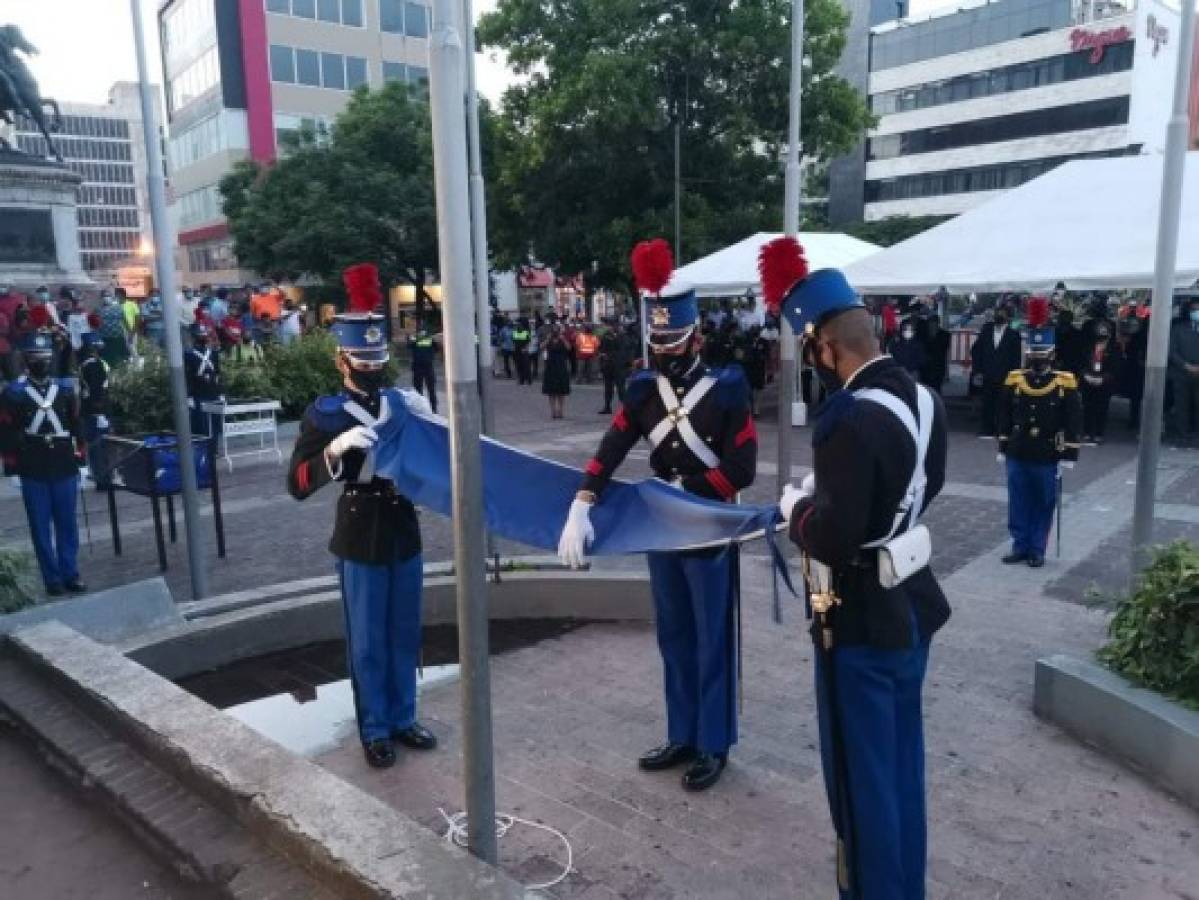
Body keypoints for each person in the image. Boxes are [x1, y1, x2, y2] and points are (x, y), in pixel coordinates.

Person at [762, 237, 949, 900]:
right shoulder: (925, 398)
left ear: (824, 347)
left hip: (859, 619)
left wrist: (795, 514)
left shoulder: (845, 418)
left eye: (809, 351)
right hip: (910, 605)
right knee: (901, 765)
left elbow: (832, 541)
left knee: (861, 776)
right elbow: (928, 486)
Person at [558, 241, 757, 793]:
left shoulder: (728, 388)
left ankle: (714, 742)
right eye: (658, 341)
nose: (666, 351)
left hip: (709, 527)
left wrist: (681, 490)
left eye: (674, 340)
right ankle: (682, 733)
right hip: (661, 533)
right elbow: (612, 445)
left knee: (712, 638)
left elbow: (742, 467)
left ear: (695, 335)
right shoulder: (644, 389)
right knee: (674, 635)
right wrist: (584, 498)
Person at [286, 262, 437, 769]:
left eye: (378, 358)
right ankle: (374, 727)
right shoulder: (325, 414)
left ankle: (403, 716)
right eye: (362, 359)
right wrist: (335, 451)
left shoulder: (401, 401)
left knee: (404, 630)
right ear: (342, 361)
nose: (373, 369)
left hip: (403, 526)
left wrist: (436, 423)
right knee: (369, 639)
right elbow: (297, 483)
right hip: (359, 530)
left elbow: (437, 460)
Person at [996, 299, 1082, 568]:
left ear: (1052, 354)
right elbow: (1005, 414)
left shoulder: (1063, 382)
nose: (1037, 357)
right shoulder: (1015, 379)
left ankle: (1037, 548)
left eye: (1042, 352)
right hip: (1018, 450)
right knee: (1018, 500)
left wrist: (1069, 452)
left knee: (1043, 502)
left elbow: (1073, 419)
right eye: (1034, 352)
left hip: (1047, 452)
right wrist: (1002, 445)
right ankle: (1019, 545)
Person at [0, 330, 86, 595]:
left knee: (67, 524)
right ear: (26, 360)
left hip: (63, 462)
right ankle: (52, 579)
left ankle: (70, 573)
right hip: (33, 464)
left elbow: (75, 425)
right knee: (40, 526)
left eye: (46, 356)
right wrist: (11, 468)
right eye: (36, 357)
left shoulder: (64, 389)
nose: (42, 361)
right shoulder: (13, 393)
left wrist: (81, 459)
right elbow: (6, 432)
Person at [969, 304, 1022, 437]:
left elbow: (1016, 358)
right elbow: (976, 350)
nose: (999, 315)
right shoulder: (986, 330)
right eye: (998, 312)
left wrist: (1014, 377)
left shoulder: (1013, 335)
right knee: (987, 403)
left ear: (1007, 316)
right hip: (987, 373)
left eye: (1002, 313)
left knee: (1003, 404)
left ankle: (1001, 430)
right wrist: (978, 370)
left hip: (1005, 375)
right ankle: (986, 429)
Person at [77, 332, 111, 489]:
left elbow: (94, 389)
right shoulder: (94, 364)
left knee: (97, 447)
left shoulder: (88, 364)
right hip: (97, 412)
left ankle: (102, 479)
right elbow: (97, 389)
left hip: (92, 412)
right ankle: (104, 479)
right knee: (100, 447)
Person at [1167, 296, 1199, 445]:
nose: (1196, 312)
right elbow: (1171, 351)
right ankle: (1182, 435)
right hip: (1181, 373)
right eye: (1194, 309)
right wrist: (1185, 365)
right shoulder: (1178, 328)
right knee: (1182, 406)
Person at [1079, 318, 1116, 445]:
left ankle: (1099, 434)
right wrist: (1086, 376)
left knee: (1102, 408)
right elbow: (1081, 364)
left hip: (1104, 383)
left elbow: (1116, 367)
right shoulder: (1087, 348)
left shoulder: (1114, 349)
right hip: (1088, 382)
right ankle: (1088, 433)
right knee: (1088, 407)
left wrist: (1103, 378)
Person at [184, 323, 223, 439]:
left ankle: (213, 450)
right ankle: (207, 453)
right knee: (202, 426)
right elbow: (188, 376)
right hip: (199, 394)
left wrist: (221, 392)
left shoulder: (213, 353)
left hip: (211, 394)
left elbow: (217, 374)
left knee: (213, 424)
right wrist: (189, 395)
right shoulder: (188, 355)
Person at [597, 321, 632, 414]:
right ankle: (607, 406)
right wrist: (602, 355)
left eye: (613, 326)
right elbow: (601, 348)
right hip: (608, 365)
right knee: (608, 388)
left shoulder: (624, 337)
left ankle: (626, 408)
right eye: (611, 326)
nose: (611, 328)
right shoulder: (606, 336)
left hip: (619, 366)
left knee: (621, 388)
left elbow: (624, 352)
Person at [408, 323, 439, 414]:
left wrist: (412, 339)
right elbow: (436, 349)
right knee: (430, 390)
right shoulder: (430, 339)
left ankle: (421, 410)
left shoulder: (415, 339)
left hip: (419, 367)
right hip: (428, 367)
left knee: (419, 390)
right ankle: (433, 410)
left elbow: (409, 346)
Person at [542, 324, 571, 418]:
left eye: (557, 331)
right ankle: (553, 411)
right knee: (551, 391)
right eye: (554, 331)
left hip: (561, 365)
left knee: (561, 391)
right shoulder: (549, 339)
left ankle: (560, 410)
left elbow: (569, 348)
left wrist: (563, 339)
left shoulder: (562, 339)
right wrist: (547, 339)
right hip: (550, 365)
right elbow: (541, 347)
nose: (555, 333)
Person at [97, 289, 130, 367]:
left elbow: (124, 320)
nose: (106, 297)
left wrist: (130, 333)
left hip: (118, 336)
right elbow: (95, 324)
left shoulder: (118, 307)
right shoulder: (98, 310)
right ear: (101, 298)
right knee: (107, 360)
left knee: (121, 358)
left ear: (112, 297)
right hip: (105, 338)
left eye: (108, 295)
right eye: (104, 296)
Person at [919, 315, 950, 394]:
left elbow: (946, 353)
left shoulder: (945, 335)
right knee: (925, 389)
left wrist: (947, 371)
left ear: (938, 323)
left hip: (938, 366)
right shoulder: (922, 335)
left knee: (937, 389)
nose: (932, 325)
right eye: (930, 323)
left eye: (934, 323)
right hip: (925, 367)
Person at [511, 317, 532, 385]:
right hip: (517, 350)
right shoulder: (515, 331)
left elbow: (528, 341)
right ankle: (521, 379)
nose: (517, 324)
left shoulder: (526, 331)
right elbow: (513, 340)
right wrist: (514, 348)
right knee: (519, 365)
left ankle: (528, 379)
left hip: (524, 350)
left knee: (526, 365)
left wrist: (525, 348)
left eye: (518, 323)